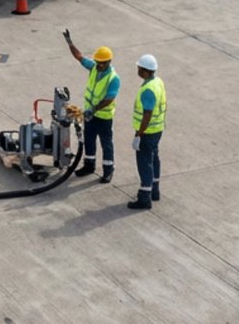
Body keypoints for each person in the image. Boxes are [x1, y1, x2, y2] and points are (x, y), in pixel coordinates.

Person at [64, 30, 118, 183]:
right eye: (98, 62)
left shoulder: (113, 79)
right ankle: (89, 166)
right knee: (88, 140)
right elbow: (79, 57)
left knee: (106, 144)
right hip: (90, 114)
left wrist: (93, 110)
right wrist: (70, 44)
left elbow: (109, 99)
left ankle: (108, 170)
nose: (99, 65)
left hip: (103, 117)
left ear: (109, 62)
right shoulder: (94, 67)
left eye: (102, 63)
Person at [127, 54, 165, 211]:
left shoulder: (148, 90)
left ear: (144, 70)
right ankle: (154, 191)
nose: (137, 70)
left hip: (147, 132)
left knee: (145, 163)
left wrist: (139, 134)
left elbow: (147, 114)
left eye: (139, 68)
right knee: (154, 159)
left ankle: (144, 197)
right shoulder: (158, 82)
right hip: (157, 129)